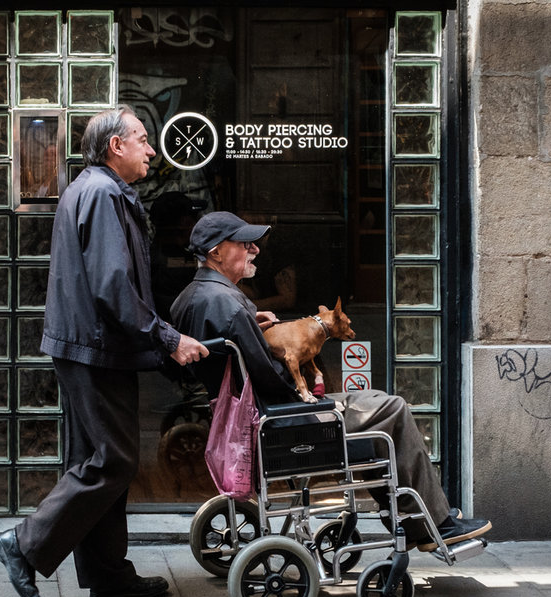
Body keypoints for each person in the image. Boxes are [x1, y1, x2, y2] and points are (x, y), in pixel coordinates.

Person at [0, 105, 208, 597]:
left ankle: (108, 574)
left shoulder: (94, 190)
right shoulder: (105, 193)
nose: (151, 150)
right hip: (97, 348)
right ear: (116, 146)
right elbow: (114, 285)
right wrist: (167, 339)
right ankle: (23, 544)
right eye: (143, 139)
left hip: (89, 345)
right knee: (114, 459)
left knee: (94, 459)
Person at [170, 211, 492, 551]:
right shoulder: (229, 304)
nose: (255, 250)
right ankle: (431, 523)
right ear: (217, 252)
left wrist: (255, 327)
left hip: (255, 415)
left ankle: (417, 517)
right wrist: (315, 397)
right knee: (393, 408)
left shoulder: (190, 298)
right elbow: (270, 376)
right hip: (282, 418)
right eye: (245, 244)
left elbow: (237, 359)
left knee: (376, 408)